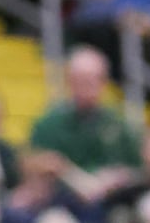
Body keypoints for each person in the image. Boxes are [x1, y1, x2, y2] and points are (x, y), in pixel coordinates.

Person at [28, 49, 141, 196]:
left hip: (111, 200)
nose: (87, 86)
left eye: (92, 80)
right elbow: (31, 161)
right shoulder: (49, 124)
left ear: (104, 82)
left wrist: (120, 176)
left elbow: (138, 168)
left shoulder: (118, 125)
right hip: (60, 199)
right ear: (69, 81)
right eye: (80, 80)